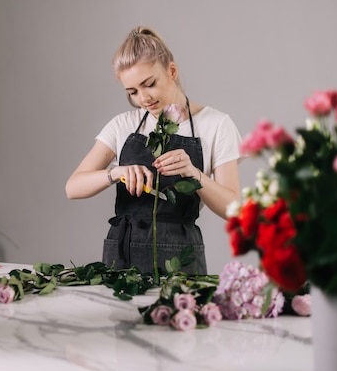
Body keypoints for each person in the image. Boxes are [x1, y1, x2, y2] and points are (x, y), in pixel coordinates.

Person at [65, 25, 243, 275]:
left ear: (171, 71)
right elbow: (73, 188)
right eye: (132, 92)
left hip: (181, 259)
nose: (143, 99)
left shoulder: (216, 124)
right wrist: (115, 173)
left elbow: (234, 209)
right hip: (121, 257)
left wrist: (194, 174)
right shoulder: (123, 124)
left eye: (149, 84)